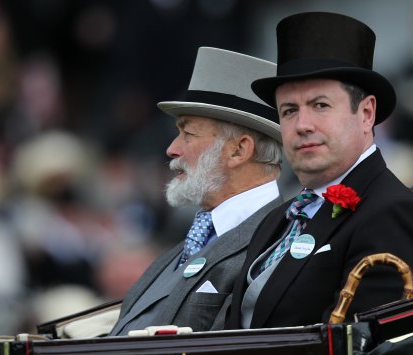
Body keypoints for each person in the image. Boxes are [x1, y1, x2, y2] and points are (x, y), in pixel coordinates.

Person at [226, 12, 413, 330]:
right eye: (289, 111)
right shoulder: (278, 219)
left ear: (366, 113)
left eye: (320, 106)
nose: (302, 125)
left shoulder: (390, 213)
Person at [110, 47, 283, 335]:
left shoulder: (278, 242)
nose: (172, 149)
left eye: (187, 134)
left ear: (239, 150)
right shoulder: (195, 237)